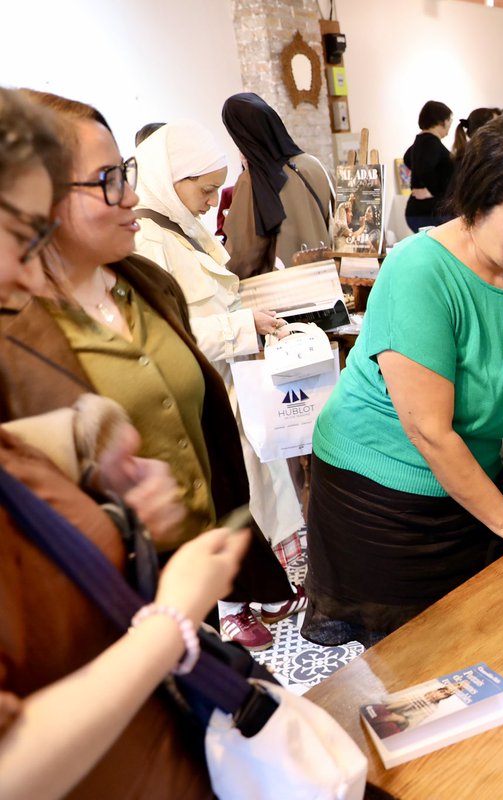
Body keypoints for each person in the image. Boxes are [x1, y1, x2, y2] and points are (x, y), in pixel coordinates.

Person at [0, 84, 251, 800]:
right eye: (21, 235)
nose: (24, 270)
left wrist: (79, 436)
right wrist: (168, 622)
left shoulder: (144, 282)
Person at [303, 112, 503, 646]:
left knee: (484, 646)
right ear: (476, 205)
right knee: (416, 665)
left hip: (471, 487)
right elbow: (430, 432)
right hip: (383, 496)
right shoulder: (420, 272)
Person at [5, 89, 294, 627]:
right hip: (106, 606)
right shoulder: (16, 335)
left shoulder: (148, 285)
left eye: (127, 173)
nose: (132, 198)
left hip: (193, 578)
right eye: (107, 180)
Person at [131, 120, 307, 649]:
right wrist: (240, 326)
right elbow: (163, 334)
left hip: (232, 381)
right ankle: (229, 607)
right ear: (171, 178)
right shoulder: (145, 235)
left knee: (250, 491)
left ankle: (260, 590)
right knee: (223, 499)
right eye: (205, 190)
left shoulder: (182, 224)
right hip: (198, 391)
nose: (213, 202)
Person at [221, 92, 334, 278]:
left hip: (284, 292)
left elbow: (243, 253)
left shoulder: (252, 181)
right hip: (329, 281)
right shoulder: (315, 165)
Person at [403, 100, 455, 233]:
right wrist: (435, 192)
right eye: (450, 120)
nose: (450, 124)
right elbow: (425, 169)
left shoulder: (421, 141)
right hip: (431, 213)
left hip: (420, 211)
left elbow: (408, 159)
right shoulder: (431, 143)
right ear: (441, 121)